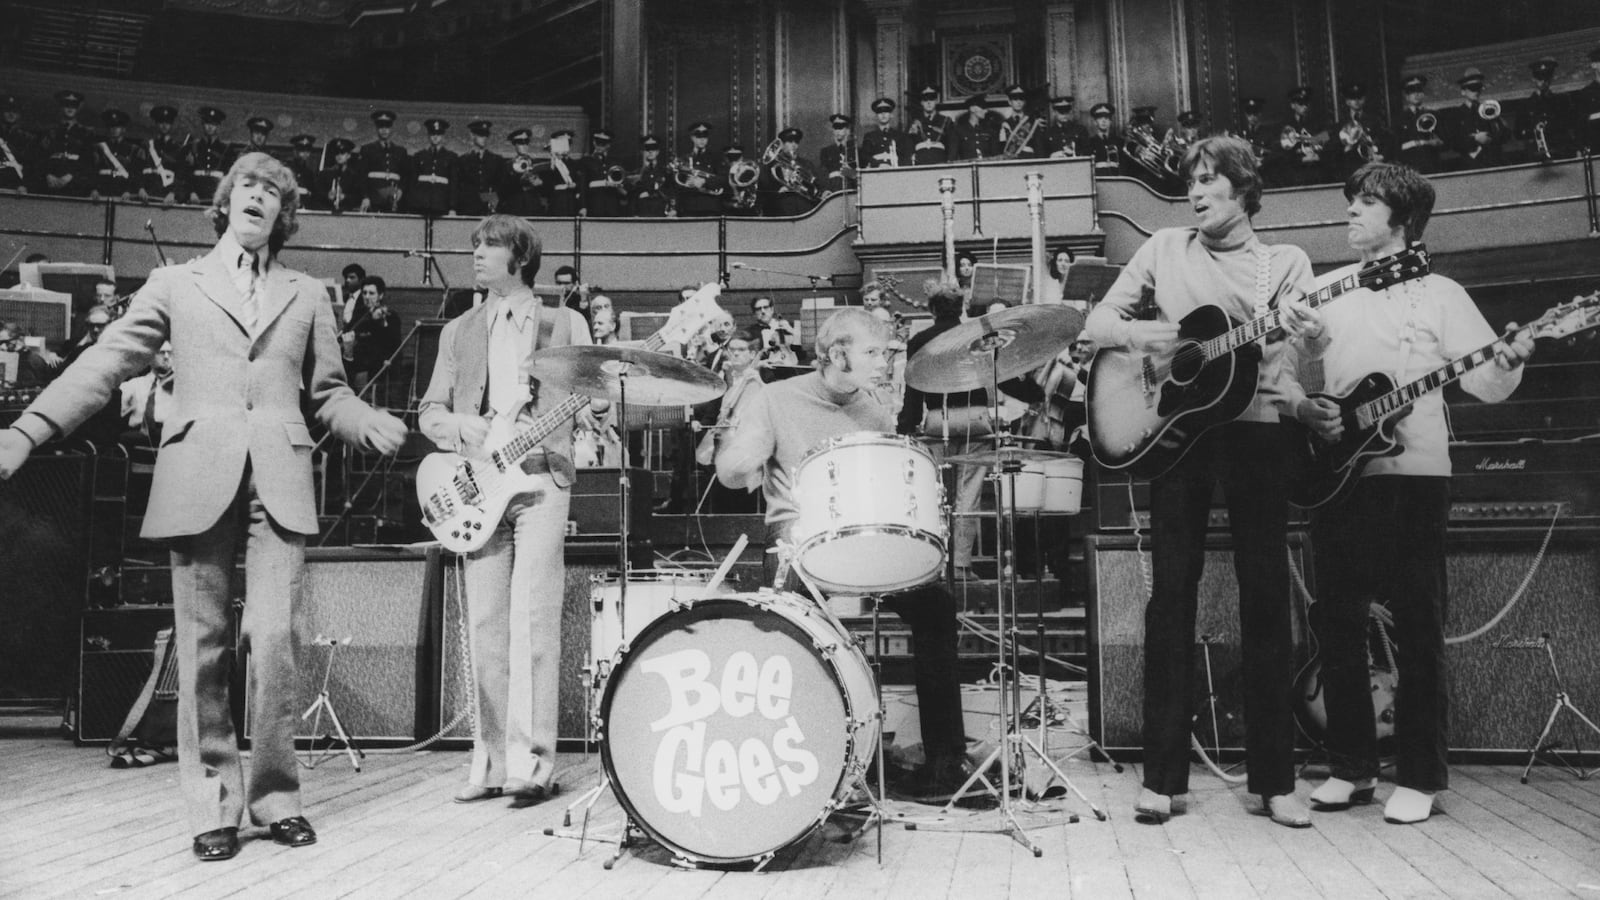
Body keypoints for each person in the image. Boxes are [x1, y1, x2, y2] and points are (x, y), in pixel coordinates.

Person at [0, 151, 408, 861]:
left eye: (272, 191)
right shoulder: (173, 283)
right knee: (201, 651)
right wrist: (27, 430)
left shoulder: (307, 292)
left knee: (277, 641)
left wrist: (359, 418)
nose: (257, 196)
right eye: (246, 186)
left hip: (278, 480)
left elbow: (328, 394)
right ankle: (213, 808)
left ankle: (276, 797)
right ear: (226, 202)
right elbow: (104, 364)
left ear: (285, 214)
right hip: (197, 476)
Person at [1082, 135, 1319, 828]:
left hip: (1258, 435)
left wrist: (1306, 333)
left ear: (1245, 190)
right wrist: (1154, 340)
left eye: (1211, 182)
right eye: (1192, 182)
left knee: (1267, 600)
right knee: (1171, 600)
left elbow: (1306, 350)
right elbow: (1097, 323)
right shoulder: (1162, 248)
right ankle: (1162, 780)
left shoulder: (1288, 263)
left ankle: (1274, 780)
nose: (1196, 192)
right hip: (1178, 437)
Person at [1293, 162, 1531, 824]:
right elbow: (1301, 376)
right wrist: (1310, 374)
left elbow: (1483, 382)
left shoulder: (1443, 294)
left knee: (1419, 623)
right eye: (1352, 201)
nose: (1351, 212)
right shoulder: (1323, 289)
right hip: (1341, 472)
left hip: (1418, 474)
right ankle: (1350, 768)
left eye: (1366, 203)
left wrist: (1510, 363)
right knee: (1337, 620)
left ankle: (1422, 777)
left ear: (1402, 219)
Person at [714, 308, 973, 800]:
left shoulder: (876, 406)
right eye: (873, 353)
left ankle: (944, 763)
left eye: (887, 353)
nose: (884, 363)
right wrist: (742, 456)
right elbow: (729, 471)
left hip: (865, 538)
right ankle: (802, 761)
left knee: (935, 608)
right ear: (836, 354)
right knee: (790, 632)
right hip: (798, 543)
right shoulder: (775, 399)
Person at [418, 214, 593, 808]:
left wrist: (596, 410)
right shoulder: (459, 330)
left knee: (534, 620)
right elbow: (429, 412)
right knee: (486, 625)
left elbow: (591, 400)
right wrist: (458, 425)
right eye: (475, 247)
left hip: (543, 476)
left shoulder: (564, 323)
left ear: (519, 256)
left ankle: (535, 764)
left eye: (489, 246)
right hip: (479, 485)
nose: (477, 255)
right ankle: (490, 762)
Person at [897, 285, 1042, 581]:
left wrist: (907, 424)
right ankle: (961, 565)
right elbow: (1001, 378)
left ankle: (935, 565)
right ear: (961, 307)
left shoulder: (919, 340)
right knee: (968, 495)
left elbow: (913, 389)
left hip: (938, 419)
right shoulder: (975, 337)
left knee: (936, 493)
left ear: (932, 309)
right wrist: (1033, 390)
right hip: (975, 420)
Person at [342, 276, 402, 397]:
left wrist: (382, 324)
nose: (367, 297)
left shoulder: (390, 316)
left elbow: (393, 346)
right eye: (364, 293)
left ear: (380, 295)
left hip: (375, 371)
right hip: (354, 364)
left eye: (371, 293)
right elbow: (349, 331)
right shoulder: (359, 313)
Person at [117, 340, 175, 446]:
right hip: (138, 438)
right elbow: (117, 410)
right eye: (161, 353)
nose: (166, 357)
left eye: (171, 353)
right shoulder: (134, 385)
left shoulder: (179, 387)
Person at [359, 110, 409, 213]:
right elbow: (362, 176)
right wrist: (365, 197)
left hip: (394, 198)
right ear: (376, 129)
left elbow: (405, 175)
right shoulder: (367, 149)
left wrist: (400, 190)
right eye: (381, 127)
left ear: (391, 129)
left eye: (387, 127)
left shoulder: (401, 151)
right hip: (374, 197)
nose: (384, 130)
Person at [454, 120, 505, 217]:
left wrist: (494, 199)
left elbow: (500, 184)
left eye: (486, 135)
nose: (484, 138)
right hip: (468, 208)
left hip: (489, 209)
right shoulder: (462, 161)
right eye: (481, 135)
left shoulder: (497, 160)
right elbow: (458, 186)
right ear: (472, 136)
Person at [408, 118, 457, 217]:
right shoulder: (419, 156)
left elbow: (454, 184)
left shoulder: (451, 157)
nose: (435, 137)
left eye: (438, 134)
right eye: (432, 133)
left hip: (442, 205)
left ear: (443, 136)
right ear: (428, 135)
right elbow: (412, 183)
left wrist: (452, 207)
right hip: (421, 205)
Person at [186, 107, 233, 205]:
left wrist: (223, 196)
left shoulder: (226, 149)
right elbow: (186, 173)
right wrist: (191, 192)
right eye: (207, 123)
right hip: (196, 196)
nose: (210, 127)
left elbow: (229, 176)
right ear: (203, 125)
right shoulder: (194, 146)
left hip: (217, 195)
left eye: (213, 124)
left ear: (218, 126)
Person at [907, 85, 950, 166]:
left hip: (941, 161)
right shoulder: (914, 122)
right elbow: (909, 145)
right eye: (925, 99)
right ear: (921, 102)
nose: (929, 102)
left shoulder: (946, 121)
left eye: (932, 99)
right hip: (920, 161)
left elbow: (951, 145)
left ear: (937, 101)